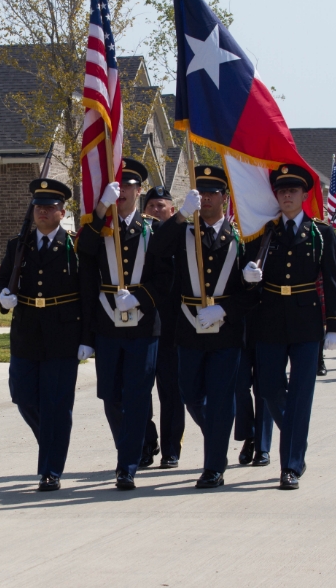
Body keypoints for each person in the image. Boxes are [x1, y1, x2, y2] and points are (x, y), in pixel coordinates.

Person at [152, 165, 254, 488]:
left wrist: (225, 308)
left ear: (225, 198)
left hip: (225, 330)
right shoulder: (184, 230)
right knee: (190, 392)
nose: (206, 198)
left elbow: (252, 293)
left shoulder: (241, 237)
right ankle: (219, 432)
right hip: (189, 326)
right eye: (202, 192)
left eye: (213, 193)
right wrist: (181, 215)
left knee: (222, 398)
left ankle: (214, 467)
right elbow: (155, 249)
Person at [243, 164, 336, 490]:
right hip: (270, 318)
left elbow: (331, 280)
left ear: (304, 195)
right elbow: (248, 274)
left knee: (301, 394)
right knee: (270, 388)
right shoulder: (265, 232)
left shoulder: (321, 233)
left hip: (306, 321)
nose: (286, 196)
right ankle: (295, 433)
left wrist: (335, 325)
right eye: (282, 191)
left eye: (293, 191)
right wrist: (249, 279)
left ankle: (291, 467)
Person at [77, 158, 173, 490]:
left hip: (144, 324)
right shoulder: (100, 226)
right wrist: (101, 209)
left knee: (136, 394)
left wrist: (141, 298)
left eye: (129, 187)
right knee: (110, 396)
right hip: (107, 323)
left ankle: (127, 464)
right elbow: (84, 256)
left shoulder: (153, 228)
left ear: (139, 191)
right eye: (118, 188)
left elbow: (167, 277)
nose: (123, 193)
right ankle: (132, 446)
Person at [0, 178, 82, 492]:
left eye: (49, 207)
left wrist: (87, 339)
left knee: (57, 405)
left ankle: (51, 470)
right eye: (38, 207)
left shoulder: (74, 246)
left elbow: (85, 293)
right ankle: (51, 439)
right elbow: (3, 283)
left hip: (62, 335)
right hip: (26, 333)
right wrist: (2, 297)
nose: (42, 212)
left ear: (62, 212)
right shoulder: (19, 244)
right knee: (23, 397)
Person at [139, 186, 185, 469]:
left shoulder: (183, 234)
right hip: (141, 323)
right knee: (140, 390)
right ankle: (147, 443)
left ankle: (171, 449)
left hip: (171, 326)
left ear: (172, 209)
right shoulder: (139, 235)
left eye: (162, 205)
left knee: (171, 392)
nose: (156, 210)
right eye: (152, 205)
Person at [235, 314, 274, 467]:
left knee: (264, 389)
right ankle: (249, 435)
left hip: (267, 325)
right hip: (240, 325)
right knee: (239, 386)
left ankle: (262, 446)